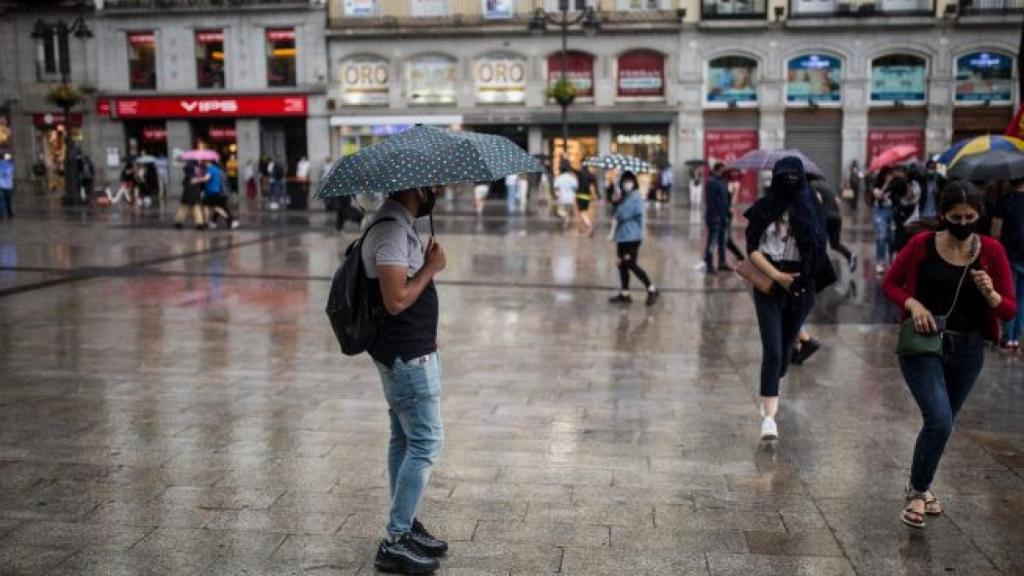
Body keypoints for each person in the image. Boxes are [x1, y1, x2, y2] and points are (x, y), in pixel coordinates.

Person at [882, 181, 1017, 529]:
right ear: (943, 215)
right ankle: (917, 492)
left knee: (942, 425)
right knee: (940, 419)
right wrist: (912, 305)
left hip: (968, 350)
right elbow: (890, 284)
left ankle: (922, 487)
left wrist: (991, 295)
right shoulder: (921, 245)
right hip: (923, 345)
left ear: (979, 215)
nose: (963, 222)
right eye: (956, 216)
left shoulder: (992, 251)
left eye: (970, 216)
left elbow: (1010, 311)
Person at [361, 187, 449, 574]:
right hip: (406, 356)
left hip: (408, 350)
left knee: (404, 438)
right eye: (435, 185)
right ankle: (395, 540)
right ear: (418, 188)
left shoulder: (399, 224)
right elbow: (395, 299)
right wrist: (432, 268)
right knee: (427, 441)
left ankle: (405, 522)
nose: (440, 191)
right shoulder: (391, 231)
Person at [744, 157, 836, 440]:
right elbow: (751, 249)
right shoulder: (765, 208)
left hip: (801, 287)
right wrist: (776, 276)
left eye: (793, 178)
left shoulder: (811, 208)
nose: (789, 184)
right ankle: (769, 418)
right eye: (783, 178)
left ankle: (775, 378)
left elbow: (821, 247)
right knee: (772, 352)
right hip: (769, 284)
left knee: (783, 355)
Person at [608, 171, 660, 306]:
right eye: (624, 182)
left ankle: (652, 288)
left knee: (630, 263)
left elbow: (623, 215)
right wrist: (615, 202)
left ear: (634, 183)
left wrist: (617, 205)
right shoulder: (625, 197)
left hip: (632, 237)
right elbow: (614, 213)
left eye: (629, 181)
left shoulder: (635, 197)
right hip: (622, 237)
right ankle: (625, 293)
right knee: (622, 264)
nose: (627, 184)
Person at [992, 177, 1024, 352]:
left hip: (1009, 256)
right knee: (1022, 299)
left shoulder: (1004, 200)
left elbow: (995, 232)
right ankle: (1015, 338)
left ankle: (1006, 337)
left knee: (1009, 297)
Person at [811, 174, 857, 272]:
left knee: (818, 241)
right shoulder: (828, 187)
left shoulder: (813, 185)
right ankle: (850, 255)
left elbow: (818, 200)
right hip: (836, 218)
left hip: (825, 217)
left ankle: (818, 268)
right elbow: (838, 201)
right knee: (834, 244)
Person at [704, 163, 731, 274]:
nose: (725, 171)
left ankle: (722, 263)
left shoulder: (722, 182)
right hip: (715, 218)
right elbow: (711, 202)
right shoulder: (712, 182)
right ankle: (709, 265)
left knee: (722, 242)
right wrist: (716, 216)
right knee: (712, 242)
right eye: (723, 169)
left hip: (724, 217)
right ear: (718, 169)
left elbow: (724, 200)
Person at [197, 160, 237, 229]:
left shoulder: (211, 170)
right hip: (215, 191)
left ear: (208, 163)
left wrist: (197, 179)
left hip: (213, 192)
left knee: (215, 207)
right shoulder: (218, 170)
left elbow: (207, 178)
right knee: (211, 207)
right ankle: (211, 222)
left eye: (205, 163)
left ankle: (230, 220)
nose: (205, 164)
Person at [873, 167, 897, 274]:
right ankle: (880, 262)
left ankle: (892, 261)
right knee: (881, 237)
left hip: (892, 213)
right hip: (881, 212)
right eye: (887, 175)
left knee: (892, 238)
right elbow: (878, 196)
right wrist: (886, 184)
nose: (890, 177)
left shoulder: (895, 187)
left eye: (891, 175)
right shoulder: (877, 187)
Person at [174, 160, 206, 229]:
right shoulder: (195, 173)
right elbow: (194, 182)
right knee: (195, 207)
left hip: (187, 193)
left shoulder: (188, 174)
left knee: (184, 208)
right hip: (194, 192)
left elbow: (184, 183)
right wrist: (201, 180)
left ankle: (179, 222)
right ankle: (199, 223)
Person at [553, 162, 578, 228]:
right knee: (569, 213)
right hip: (570, 199)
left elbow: (556, 188)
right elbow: (575, 188)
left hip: (562, 199)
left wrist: (557, 195)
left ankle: (564, 224)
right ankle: (567, 224)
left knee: (562, 213)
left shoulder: (559, 178)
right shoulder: (572, 178)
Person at [575, 166, 596, 236]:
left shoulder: (580, 173)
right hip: (587, 196)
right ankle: (580, 229)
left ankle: (589, 225)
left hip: (580, 195)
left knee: (582, 213)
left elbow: (573, 170)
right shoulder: (591, 175)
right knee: (583, 212)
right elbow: (594, 185)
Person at [0, 152, 13, 219]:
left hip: (1, 185)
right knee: (8, 200)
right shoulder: (9, 164)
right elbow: (9, 173)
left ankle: (1, 215)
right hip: (8, 185)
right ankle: (10, 213)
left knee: (1, 201)